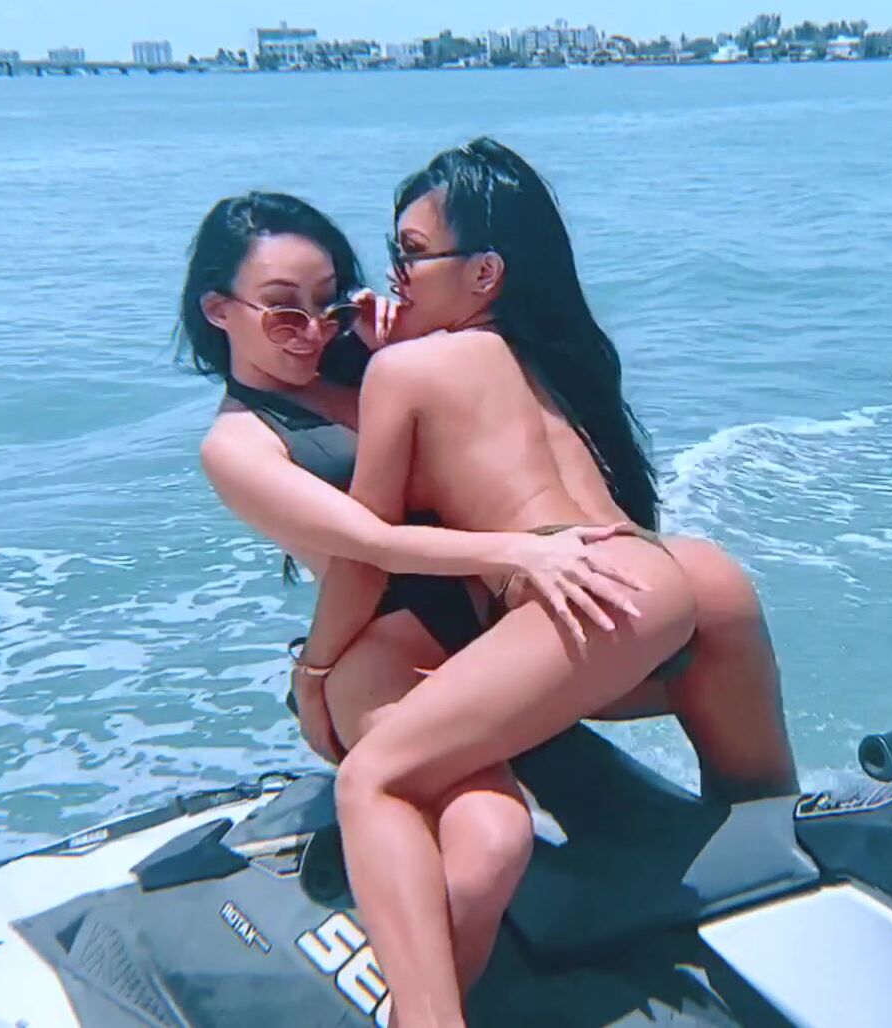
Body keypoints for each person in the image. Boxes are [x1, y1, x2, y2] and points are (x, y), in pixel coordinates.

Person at [176, 177, 795, 1012]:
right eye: (286, 313)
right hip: (384, 646)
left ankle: (781, 890)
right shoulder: (239, 443)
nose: (315, 331)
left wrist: (392, 340)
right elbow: (366, 550)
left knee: (720, 651)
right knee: (493, 840)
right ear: (220, 310)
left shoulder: (378, 364)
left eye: (332, 302)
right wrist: (317, 673)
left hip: (499, 626)